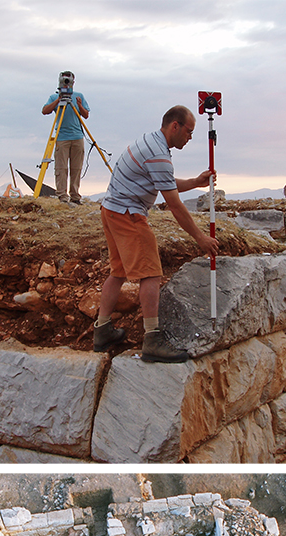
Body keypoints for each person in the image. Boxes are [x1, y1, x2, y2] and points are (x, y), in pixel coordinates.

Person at [93, 105, 219, 363]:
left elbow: (167, 184)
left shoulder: (151, 141)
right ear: (175, 126)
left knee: (118, 271)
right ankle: (152, 339)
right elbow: (174, 204)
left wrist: (195, 182)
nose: (190, 137)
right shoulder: (159, 154)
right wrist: (201, 238)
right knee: (150, 273)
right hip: (128, 214)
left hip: (111, 209)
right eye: (189, 131)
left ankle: (102, 331)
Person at [41, 71, 90, 204]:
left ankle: (75, 196)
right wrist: (59, 99)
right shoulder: (54, 97)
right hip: (62, 137)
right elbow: (45, 111)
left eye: (69, 81)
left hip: (77, 136)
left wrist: (79, 105)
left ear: (73, 82)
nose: (67, 84)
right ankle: (62, 196)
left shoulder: (79, 96)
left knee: (76, 168)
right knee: (61, 167)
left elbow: (86, 115)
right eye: (64, 81)